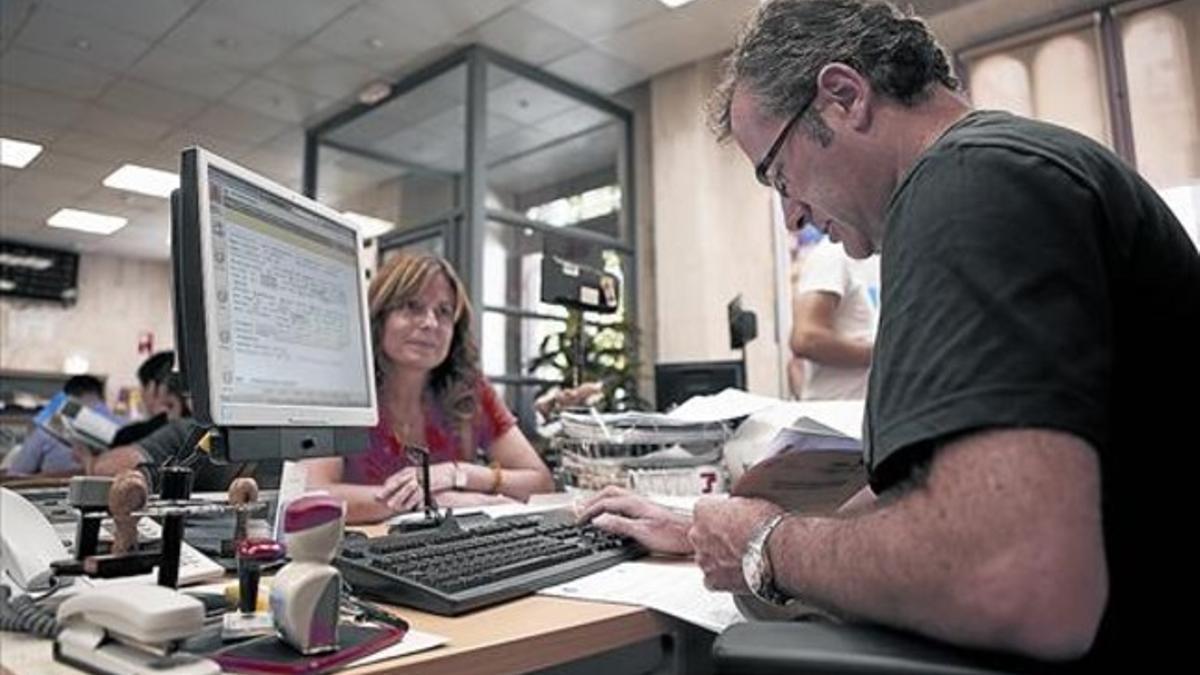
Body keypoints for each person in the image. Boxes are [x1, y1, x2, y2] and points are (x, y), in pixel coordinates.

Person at [580, 0, 1200, 666]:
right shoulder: (1006, 169)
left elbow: (1016, 577)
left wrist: (767, 545)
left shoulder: (969, 185)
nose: (791, 218)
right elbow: (931, 495)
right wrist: (710, 529)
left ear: (844, 97)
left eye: (778, 175)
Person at [303, 252, 554, 524]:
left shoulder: (471, 389)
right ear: (378, 316)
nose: (430, 323)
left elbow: (540, 482)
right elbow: (313, 497)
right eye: (412, 306)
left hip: (451, 554)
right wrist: (428, 501)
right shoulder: (339, 387)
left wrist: (456, 473)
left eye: (444, 312)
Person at [789, 234, 877, 399]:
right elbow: (807, 339)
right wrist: (885, 355)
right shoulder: (833, 256)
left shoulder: (881, 257)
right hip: (839, 413)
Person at [7, 374, 117, 475]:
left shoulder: (46, 431)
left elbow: (16, 473)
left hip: (51, 495)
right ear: (102, 399)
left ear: (66, 399)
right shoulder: (120, 431)